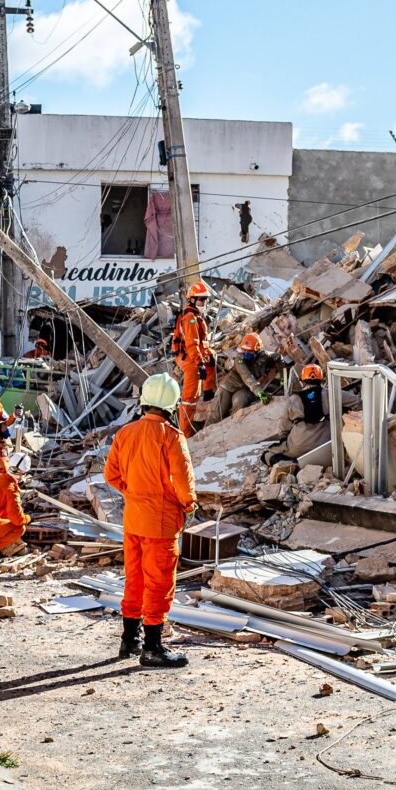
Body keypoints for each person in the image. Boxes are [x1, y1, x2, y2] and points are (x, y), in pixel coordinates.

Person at [105, 373, 196, 668]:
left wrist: (134, 492)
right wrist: (188, 503)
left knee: (134, 579)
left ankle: (129, 640)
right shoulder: (171, 436)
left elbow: (111, 475)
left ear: (144, 402)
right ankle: (153, 647)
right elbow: (183, 480)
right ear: (171, 405)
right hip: (161, 522)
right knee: (158, 583)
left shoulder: (125, 433)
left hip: (133, 520)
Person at [209, 331, 283, 424]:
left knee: (239, 403)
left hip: (244, 388)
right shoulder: (239, 360)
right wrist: (260, 392)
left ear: (257, 349)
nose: (246, 352)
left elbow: (279, 358)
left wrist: (283, 378)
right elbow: (247, 377)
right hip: (229, 386)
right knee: (217, 414)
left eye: (249, 351)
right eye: (245, 350)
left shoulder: (264, 355)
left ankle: (233, 427)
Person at [171, 280, 212, 435]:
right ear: (193, 300)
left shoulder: (196, 315)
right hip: (189, 358)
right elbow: (192, 344)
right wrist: (200, 363)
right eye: (201, 299)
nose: (204, 303)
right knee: (189, 397)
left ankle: (208, 391)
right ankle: (186, 434)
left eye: (205, 300)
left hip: (193, 355)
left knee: (211, 359)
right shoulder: (191, 318)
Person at [272, 364, 334, 465]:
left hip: (298, 447)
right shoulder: (331, 393)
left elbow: (284, 428)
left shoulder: (292, 400)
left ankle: (293, 464)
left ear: (303, 381)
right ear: (321, 379)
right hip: (326, 445)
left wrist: (284, 442)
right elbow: (357, 402)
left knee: (267, 454)